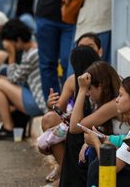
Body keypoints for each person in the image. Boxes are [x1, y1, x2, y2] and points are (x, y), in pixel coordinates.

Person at [39, 43, 101, 185]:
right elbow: (58, 108)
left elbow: (77, 125)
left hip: (91, 127)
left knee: (70, 134)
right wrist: (51, 103)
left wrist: (83, 89)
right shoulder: (73, 80)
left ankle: (67, 174)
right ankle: (65, 170)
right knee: (51, 126)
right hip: (77, 125)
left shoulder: (100, 79)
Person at [0, 19, 47, 140]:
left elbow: (13, 79)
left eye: (9, 44)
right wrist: (2, 77)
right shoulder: (30, 50)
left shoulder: (32, 54)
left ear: (17, 40)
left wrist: (11, 54)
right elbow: (18, 77)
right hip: (34, 96)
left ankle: (8, 129)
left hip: (38, 103)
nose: (7, 47)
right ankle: (8, 125)